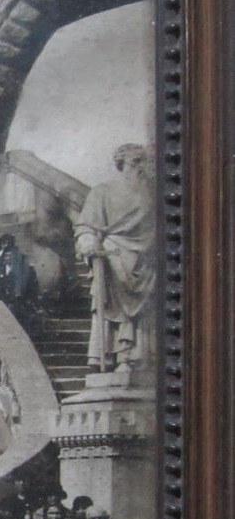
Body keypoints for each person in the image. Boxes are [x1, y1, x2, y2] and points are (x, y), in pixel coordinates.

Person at [74, 142, 156, 371]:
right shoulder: (103, 191)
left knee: (147, 314)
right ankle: (115, 357)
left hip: (147, 262)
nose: (142, 167)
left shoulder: (155, 195)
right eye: (135, 161)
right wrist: (88, 242)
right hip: (114, 259)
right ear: (121, 164)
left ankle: (137, 358)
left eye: (145, 161)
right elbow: (85, 226)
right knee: (114, 310)